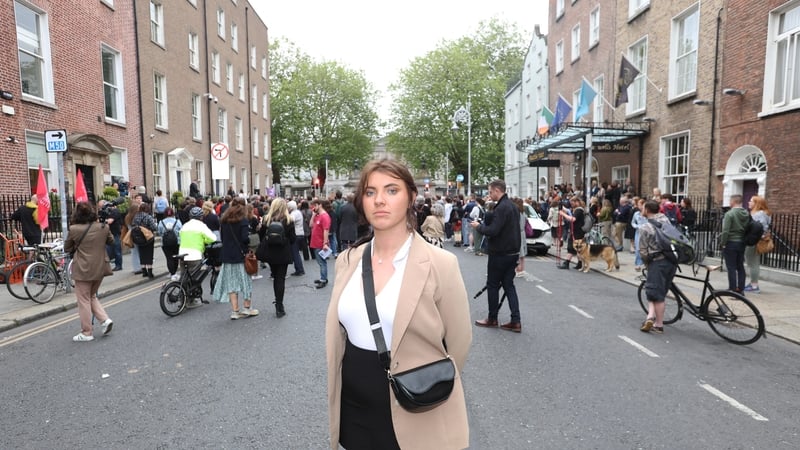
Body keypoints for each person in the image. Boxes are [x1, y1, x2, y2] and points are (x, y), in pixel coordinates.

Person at [325, 158, 471, 449]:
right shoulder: (348, 261)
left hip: (414, 407)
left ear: (411, 198)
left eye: (391, 190)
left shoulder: (440, 264)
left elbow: (459, 344)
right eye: (370, 192)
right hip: (353, 409)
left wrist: (426, 383)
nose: (379, 200)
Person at [472, 179, 523, 332]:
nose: (489, 195)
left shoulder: (501, 208)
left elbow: (493, 230)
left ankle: (492, 318)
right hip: (512, 252)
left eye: (490, 191)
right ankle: (516, 320)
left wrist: (478, 227)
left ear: (496, 190)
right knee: (509, 286)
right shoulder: (513, 207)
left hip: (500, 253)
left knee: (493, 285)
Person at [64, 202, 114, 342]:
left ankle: (87, 332)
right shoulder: (103, 227)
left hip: (83, 269)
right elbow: (111, 241)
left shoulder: (74, 229)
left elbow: (67, 248)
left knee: (84, 300)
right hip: (100, 267)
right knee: (91, 296)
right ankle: (105, 320)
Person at [213, 198, 258, 319]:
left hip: (227, 255)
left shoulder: (224, 220)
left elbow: (222, 237)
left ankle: (235, 311)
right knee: (245, 282)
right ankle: (247, 308)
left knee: (231, 284)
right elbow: (244, 238)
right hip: (240, 256)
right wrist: (249, 241)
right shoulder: (243, 220)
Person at [639, 200, 678, 334]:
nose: (641, 210)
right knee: (659, 291)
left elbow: (643, 251)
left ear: (647, 210)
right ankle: (650, 316)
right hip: (671, 260)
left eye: (643, 208)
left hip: (657, 262)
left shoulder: (645, 228)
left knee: (657, 294)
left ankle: (658, 325)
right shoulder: (666, 220)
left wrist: (646, 263)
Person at [259, 198, 296, 317]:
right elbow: (293, 239)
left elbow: (261, 236)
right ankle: (279, 305)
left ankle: (278, 302)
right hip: (283, 252)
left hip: (270, 253)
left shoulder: (266, 219)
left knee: (275, 276)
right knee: (281, 279)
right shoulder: (289, 220)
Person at [178, 206, 218, 308]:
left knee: (184, 277)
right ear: (201, 217)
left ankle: (183, 299)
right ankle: (192, 301)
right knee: (195, 279)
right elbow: (212, 238)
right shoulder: (201, 226)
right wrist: (205, 240)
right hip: (194, 255)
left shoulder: (185, 225)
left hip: (182, 254)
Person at [720, 194, 750, 294]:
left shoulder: (729, 214)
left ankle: (732, 289)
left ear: (733, 201)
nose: (729, 202)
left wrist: (723, 243)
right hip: (741, 242)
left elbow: (725, 231)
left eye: (730, 200)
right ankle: (740, 289)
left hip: (731, 242)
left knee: (731, 267)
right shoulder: (746, 213)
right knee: (740, 266)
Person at [744, 196, 772, 293]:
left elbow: (762, 228)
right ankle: (753, 283)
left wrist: (758, 238)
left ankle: (754, 286)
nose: (748, 202)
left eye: (751, 201)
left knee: (753, 263)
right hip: (756, 240)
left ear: (757, 204)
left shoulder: (759, 214)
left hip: (754, 241)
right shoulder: (762, 213)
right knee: (752, 263)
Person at [557, 197, 588, 270]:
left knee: (571, 247)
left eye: (572, 203)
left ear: (577, 202)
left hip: (576, 232)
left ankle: (566, 263)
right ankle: (580, 264)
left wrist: (563, 214)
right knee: (578, 249)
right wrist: (562, 207)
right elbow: (569, 211)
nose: (571, 205)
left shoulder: (579, 210)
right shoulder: (579, 210)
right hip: (578, 231)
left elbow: (572, 219)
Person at [131, 202, 158, 279]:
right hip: (148, 238)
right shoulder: (148, 217)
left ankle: (144, 271)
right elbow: (154, 227)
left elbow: (133, 225)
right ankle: (150, 272)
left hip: (139, 238)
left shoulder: (136, 217)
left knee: (142, 254)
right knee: (149, 254)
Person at [310, 199, 332, 289]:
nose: (313, 208)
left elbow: (326, 230)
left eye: (314, 206)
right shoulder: (318, 216)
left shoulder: (324, 216)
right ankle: (323, 278)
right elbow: (311, 225)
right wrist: (313, 216)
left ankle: (323, 279)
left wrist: (325, 243)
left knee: (322, 262)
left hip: (320, 243)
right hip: (316, 242)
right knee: (320, 262)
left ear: (319, 205)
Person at [157, 208, 182, 281]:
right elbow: (181, 230)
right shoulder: (177, 221)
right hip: (176, 242)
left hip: (165, 243)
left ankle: (172, 273)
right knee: (175, 257)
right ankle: (174, 272)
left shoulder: (161, 222)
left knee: (169, 258)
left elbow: (160, 232)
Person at [98, 199, 123, 271]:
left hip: (115, 233)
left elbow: (110, 221)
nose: (101, 208)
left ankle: (119, 265)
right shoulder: (104, 212)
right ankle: (107, 266)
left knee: (117, 250)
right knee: (107, 250)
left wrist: (102, 221)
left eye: (102, 206)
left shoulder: (115, 211)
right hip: (107, 233)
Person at [287, 200, 306, 276]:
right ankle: (299, 269)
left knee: (295, 253)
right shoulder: (298, 212)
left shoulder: (293, 214)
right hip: (300, 233)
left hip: (296, 234)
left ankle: (299, 269)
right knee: (296, 253)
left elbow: (290, 221)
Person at [124, 200, 142, 275]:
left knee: (134, 252)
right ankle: (140, 267)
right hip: (138, 235)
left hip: (131, 235)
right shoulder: (137, 217)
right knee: (139, 251)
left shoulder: (127, 217)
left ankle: (136, 268)